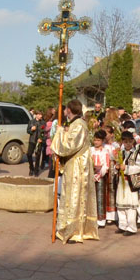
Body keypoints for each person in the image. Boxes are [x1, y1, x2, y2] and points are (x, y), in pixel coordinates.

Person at [52, 98, 99, 243]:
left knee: (75, 196)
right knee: (72, 196)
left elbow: (70, 145)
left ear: (69, 110)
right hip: (73, 164)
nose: (65, 111)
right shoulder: (75, 124)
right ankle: (70, 228)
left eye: (66, 109)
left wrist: (60, 133)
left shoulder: (79, 125)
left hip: (78, 167)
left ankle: (74, 231)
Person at [115, 130, 140, 234]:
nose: (127, 144)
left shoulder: (136, 154)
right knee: (121, 205)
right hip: (121, 183)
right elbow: (116, 164)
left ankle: (131, 227)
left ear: (133, 142)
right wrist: (116, 166)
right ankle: (122, 225)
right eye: (125, 142)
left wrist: (126, 168)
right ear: (122, 142)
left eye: (129, 142)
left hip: (131, 183)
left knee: (130, 206)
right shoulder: (120, 153)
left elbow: (139, 168)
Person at [89, 130, 114, 228]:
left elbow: (106, 165)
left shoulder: (105, 151)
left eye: (98, 140)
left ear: (102, 141)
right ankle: (91, 217)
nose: (96, 142)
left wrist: (98, 175)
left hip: (100, 177)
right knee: (91, 197)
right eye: (95, 140)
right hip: (90, 175)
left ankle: (101, 219)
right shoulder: (90, 150)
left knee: (100, 197)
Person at [26, 109, 45, 178]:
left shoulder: (43, 123)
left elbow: (44, 133)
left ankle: (36, 170)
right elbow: (27, 131)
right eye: (39, 114)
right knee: (29, 154)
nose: (41, 116)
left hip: (39, 141)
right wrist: (31, 129)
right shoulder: (31, 122)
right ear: (36, 115)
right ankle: (31, 167)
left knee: (38, 156)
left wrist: (41, 139)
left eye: (41, 115)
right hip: (32, 140)